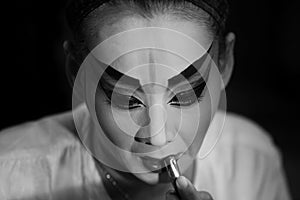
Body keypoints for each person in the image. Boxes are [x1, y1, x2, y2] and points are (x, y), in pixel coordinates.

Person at [0, 0, 291, 199]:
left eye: (186, 94)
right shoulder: (10, 176)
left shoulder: (251, 160)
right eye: (127, 100)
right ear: (78, 75)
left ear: (224, 64)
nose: (158, 135)